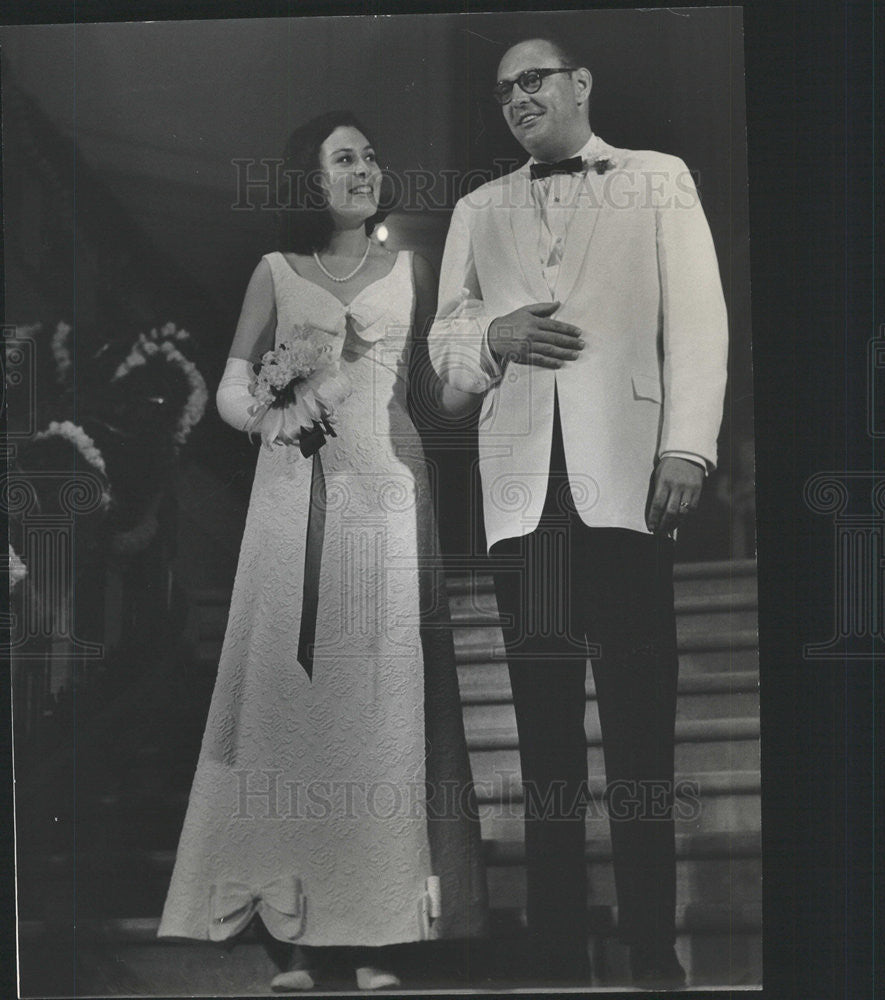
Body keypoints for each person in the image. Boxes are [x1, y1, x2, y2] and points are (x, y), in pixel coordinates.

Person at [158, 111, 487, 992]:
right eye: (347, 158)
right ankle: (298, 937)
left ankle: (380, 928)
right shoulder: (278, 272)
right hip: (292, 492)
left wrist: (483, 359)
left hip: (384, 486)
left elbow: (440, 396)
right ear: (310, 178)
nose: (366, 168)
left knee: (379, 710)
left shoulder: (409, 271)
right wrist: (269, 407)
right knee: (295, 708)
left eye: (374, 157)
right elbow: (231, 381)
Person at [428, 37, 728, 988]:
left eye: (535, 80)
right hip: (524, 501)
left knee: (642, 729)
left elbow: (699, 320)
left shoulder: (658, 179)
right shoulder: (479, 209)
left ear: (580, 84)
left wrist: (686, 445)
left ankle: (651, 949)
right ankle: (558, 948)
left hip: (630, 487)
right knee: (544, 734)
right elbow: (445, 360)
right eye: (503, 87)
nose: (518, 97)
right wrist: (491, 333)